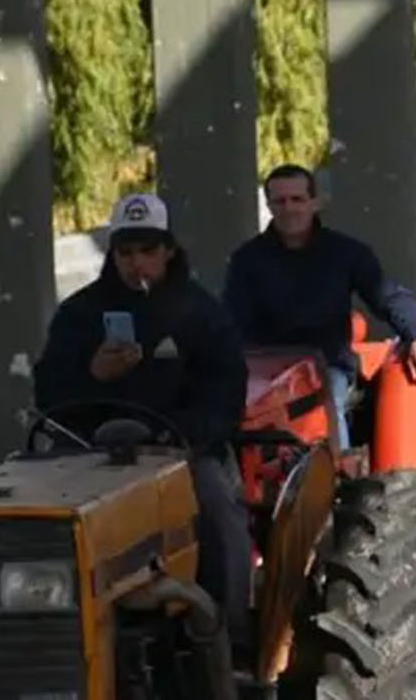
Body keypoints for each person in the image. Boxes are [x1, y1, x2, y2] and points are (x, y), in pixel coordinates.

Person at [35, 193, 251, 634]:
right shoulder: (79, 314)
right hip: (89, 451)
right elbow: (49, 393)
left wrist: (176, 434)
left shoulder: (202, 314)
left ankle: (230, 635)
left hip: (182, 449)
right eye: (126, 252)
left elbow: (225, 396)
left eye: (148, 250)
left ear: (168, 251)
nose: (137, 263)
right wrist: (93, 374)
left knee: (219, 516)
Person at [222, 165, 416, 451]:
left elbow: (390, 296)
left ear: (314, 202)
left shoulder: (346, 253)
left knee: (327, 402)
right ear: (269, 206)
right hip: (265, 371)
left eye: (297, 199)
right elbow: (230, 320)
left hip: (327, 365)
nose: (289, 209)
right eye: (280, 201)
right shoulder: (247, 259)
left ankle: (338, 465)